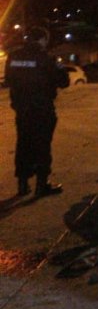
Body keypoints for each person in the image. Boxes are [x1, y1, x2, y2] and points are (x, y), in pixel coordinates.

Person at [5, 26, 70, 197]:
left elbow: (9, 80)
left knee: (23, 145)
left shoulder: (13, 57)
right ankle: (42, 185)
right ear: (42, 40)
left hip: (22, 109)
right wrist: (61, 68)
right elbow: (63, 82)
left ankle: (22, 184)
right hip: (42, 109)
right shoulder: (47, 58)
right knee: (42, 145)